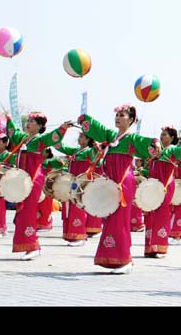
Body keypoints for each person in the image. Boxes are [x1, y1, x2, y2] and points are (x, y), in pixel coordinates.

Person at [76, 104, 160, 273]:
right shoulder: (111, 137)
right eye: (117, 115)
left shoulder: (131, 139)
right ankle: (111, 259)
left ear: (131, 120)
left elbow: (146, 142)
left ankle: (125, 260)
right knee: (110, 219)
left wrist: (155, 142)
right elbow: (97, 128)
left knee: (120, 220)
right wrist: (84, 119)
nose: (118, 117)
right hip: (110, 183)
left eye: (122, 115)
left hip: (123, 183)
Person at [5, 112, 68, 261]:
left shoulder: (40, 140)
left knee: (27, 212)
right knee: (21, 212)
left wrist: (63, 127)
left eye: (33, 121)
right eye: (29, 120)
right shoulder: (23, 139)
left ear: (40, 126)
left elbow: (54, 136)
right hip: (22, 180)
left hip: (33, 180)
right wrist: (9, 119)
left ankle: (33, 245)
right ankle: (27, 245)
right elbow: (13, 133)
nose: (29, 122)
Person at [144, 126, 181, 258]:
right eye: (161, 134)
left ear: (172, 138)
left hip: (165, 186)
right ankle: (150, 248)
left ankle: (160, 247)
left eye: (164, 135)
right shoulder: (157, 151)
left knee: (161, 214)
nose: (161, 137)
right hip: (153, 186)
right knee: (150, 214)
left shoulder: (171, 150)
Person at [55, 132, 98, 246]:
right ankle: (71, 235)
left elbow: (97, 156)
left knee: (78, 208)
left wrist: (97, 147)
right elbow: (59, 146)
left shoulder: (89, 151)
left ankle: (80, 236)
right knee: (70, 208)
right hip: (71, 183)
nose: (79, 138)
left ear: (89, 140)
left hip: (80, 184)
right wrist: (60, 133)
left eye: (82, 136)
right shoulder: (75, 151)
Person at [37, 148, 60, 232]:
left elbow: (60, 164)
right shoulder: (37, 160)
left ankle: (45, 224)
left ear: (47, 153)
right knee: (37, 206)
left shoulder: (49, 162)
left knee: (45, 206)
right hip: (38, 186)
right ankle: (37, 224)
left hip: (46, 187)